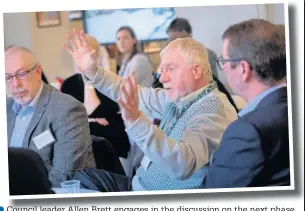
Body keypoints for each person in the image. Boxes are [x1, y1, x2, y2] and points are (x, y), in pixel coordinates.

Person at [61, 29, 237, 191]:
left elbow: (181, 163)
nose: (163, 77)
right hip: (138, 184)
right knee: (77, 176)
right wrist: (93, 72)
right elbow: (129, 92)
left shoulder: (214, 108)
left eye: (171, 69)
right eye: (162, 70)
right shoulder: (178, 98)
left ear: (197, 70)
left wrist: (137, 122)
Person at [202, 19, 290, 187]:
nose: (224, 69)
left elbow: (213, 193)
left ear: (243, 69)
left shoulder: (247, 131)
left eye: (225, 62)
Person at [5, 46, 96, 187]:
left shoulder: (67, 109)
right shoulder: (5, 108)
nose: (15, 84)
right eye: (8, 77)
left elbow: (65, 176)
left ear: (38, 71)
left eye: (22, 73)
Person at [61, 35, 130, 159]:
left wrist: (88, 122)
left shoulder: (109, 81)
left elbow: (118, 123)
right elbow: (68, 122)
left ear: (96, 55)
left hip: (112, 145)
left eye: (87, 53)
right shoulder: (69, 85)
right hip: (80, 147)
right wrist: (93, 122)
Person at [165, 17, 239, 112]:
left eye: (175, 38)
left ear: (189, 34)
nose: (173, 43)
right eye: (170, 40)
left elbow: (210, 85)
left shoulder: (207, 54)